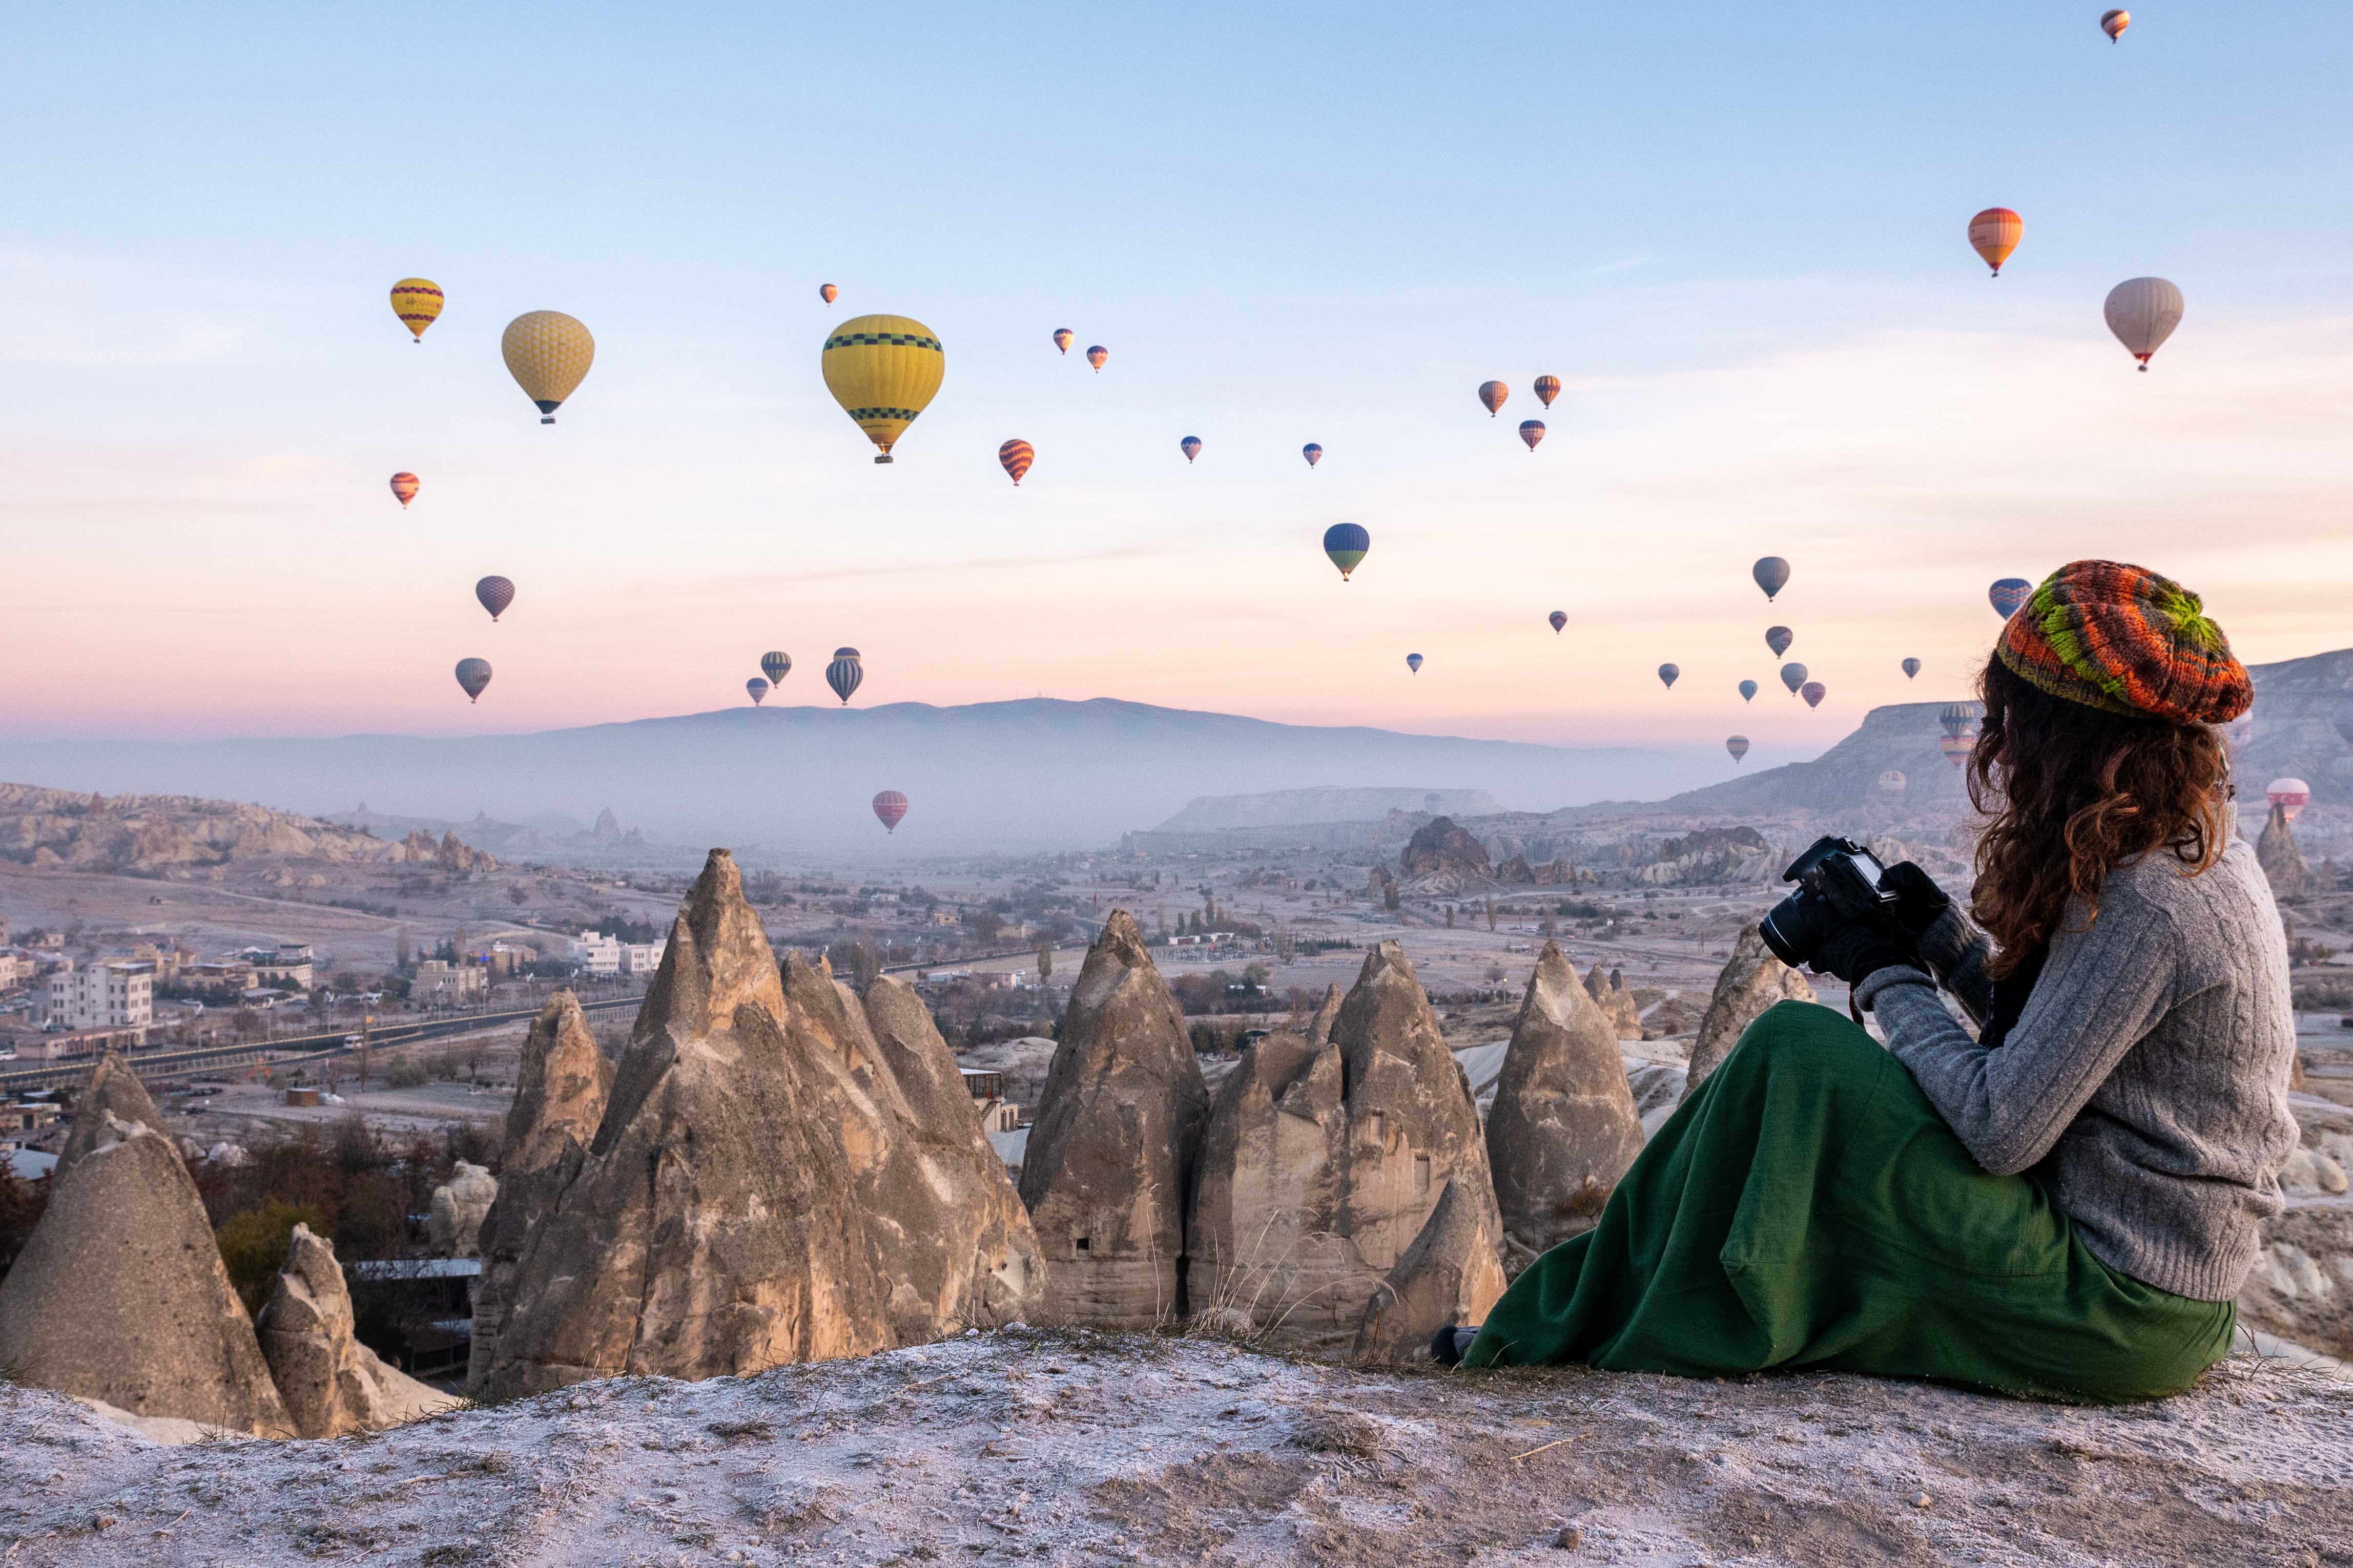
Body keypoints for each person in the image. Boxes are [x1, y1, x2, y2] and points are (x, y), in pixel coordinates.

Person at [1455, 560, 2298, 1403]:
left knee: (1799, 1049)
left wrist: (1886, 972)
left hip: (2113, 1305)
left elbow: (2003, 1124)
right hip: (2156, 1292)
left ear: (2067, 737)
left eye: (2010, 723)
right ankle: (1578, 1314)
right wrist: (1941, 938)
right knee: (1796, 1062)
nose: (1996, 748)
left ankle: (1568, 1323)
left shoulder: (2151, 899)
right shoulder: (2190, 857)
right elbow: (2063, 1039)